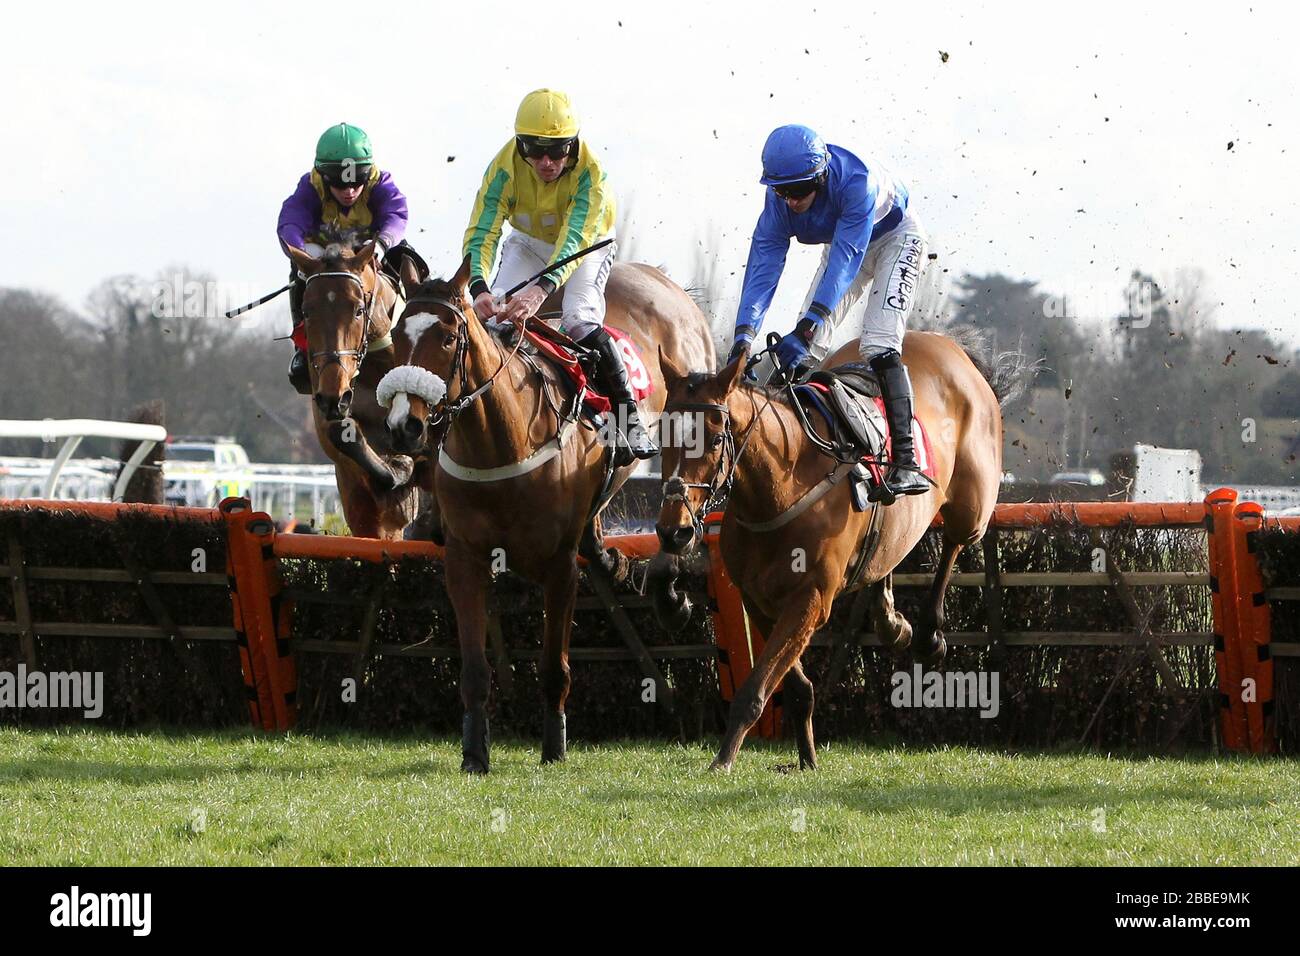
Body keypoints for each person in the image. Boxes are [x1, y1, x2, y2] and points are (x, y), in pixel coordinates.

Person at [729, 124, 932, 498]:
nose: (790, 200)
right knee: (805, 347)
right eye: (782, 190)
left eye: (799, 190)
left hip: (894, 240)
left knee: (879, 342)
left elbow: (846, 260)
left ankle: (906, 462)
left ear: (821, 177)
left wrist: (807, 327)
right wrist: (743, 337)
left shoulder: (857, 182)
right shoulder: (778, 200)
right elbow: (763, 264)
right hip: (845, 242)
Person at [462, 89, 656, 466]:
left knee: (579, 319)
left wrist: (540, 291)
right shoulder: (502, 168)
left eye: (557, 150)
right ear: (520, 146)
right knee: (487, 316)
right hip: (528, 242)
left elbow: (573, 242)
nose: (546, 162)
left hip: (585, 246)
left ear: (574, 144)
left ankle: (628, 418)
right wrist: (480, 287)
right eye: (534, 151)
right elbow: (482, 231)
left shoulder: (592, 175)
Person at [277, 123, 414, 394]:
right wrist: (304, 253)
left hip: (370, 250)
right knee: (299, 274)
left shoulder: (380, 182)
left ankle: (419, 337)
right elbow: (289, 223)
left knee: (409, 257)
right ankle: (302, 348)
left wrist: (382, 244)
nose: (350, 191)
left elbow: (396, 214)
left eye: (357, 181)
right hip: (326, 259)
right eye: (340, 184)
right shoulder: (310, 186)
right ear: (324, 176)